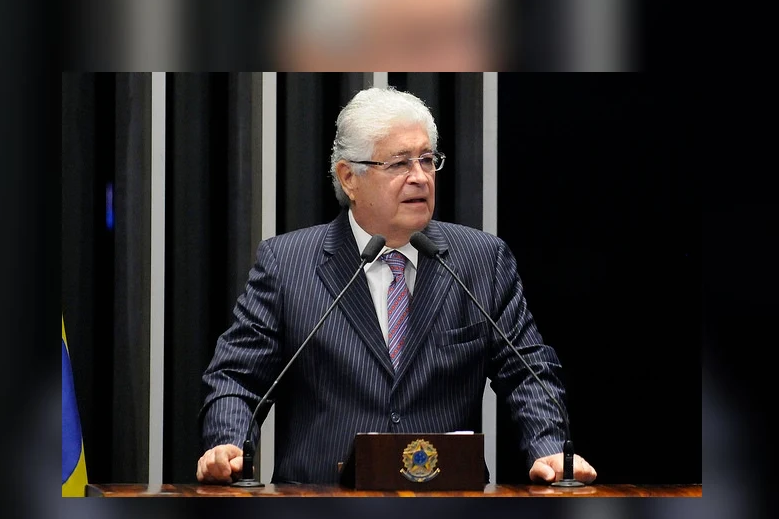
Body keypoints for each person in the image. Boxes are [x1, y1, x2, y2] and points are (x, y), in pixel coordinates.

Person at [197, 86, 596, 485]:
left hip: (449, 505)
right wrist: (229, 444)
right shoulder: (288, 264)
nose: (420, 177)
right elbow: (237, 377)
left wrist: (548, 446)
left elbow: (528, 371)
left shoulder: (481, 260)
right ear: (349, 178)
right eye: (400, 163)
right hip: (319, 505)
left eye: (427, 160)